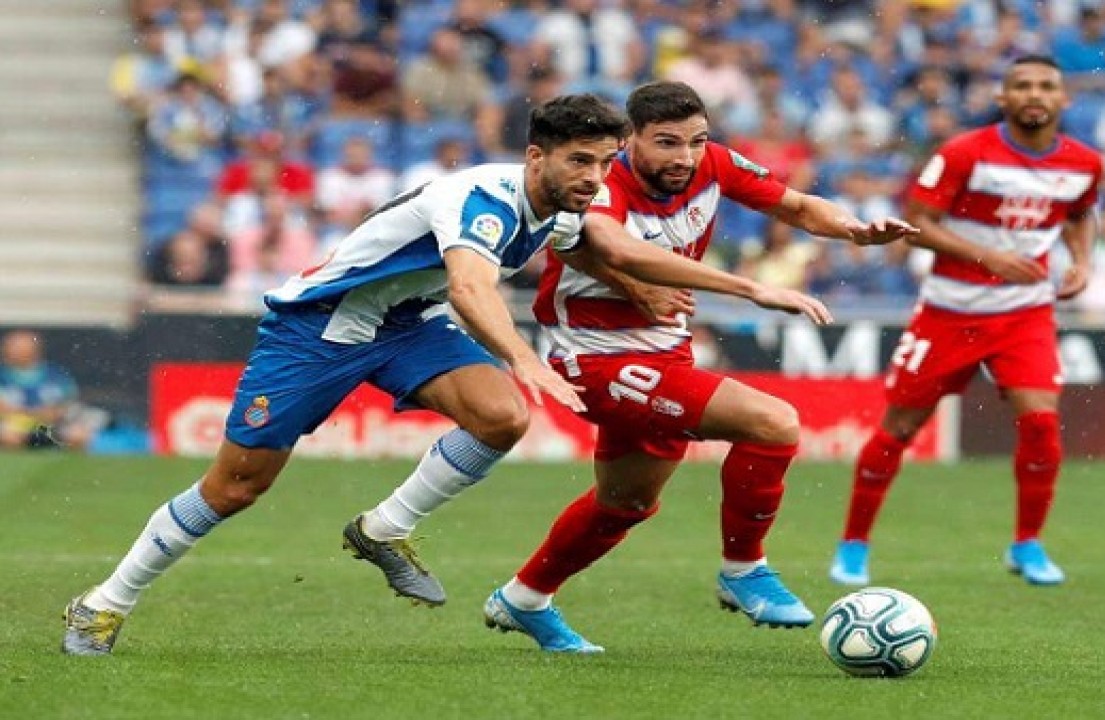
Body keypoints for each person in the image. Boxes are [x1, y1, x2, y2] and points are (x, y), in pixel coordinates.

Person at [61, 93, 830, 657]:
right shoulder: (484, 197)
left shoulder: (559, 206)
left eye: (603, 161)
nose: (596, 176)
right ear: (537, 156)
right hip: (318, 330)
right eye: (578, 161)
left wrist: (660, 287)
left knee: (501, 417)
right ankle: (102, 603)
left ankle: (382, 528)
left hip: (406, 325)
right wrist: (526, 359)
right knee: (235, 488)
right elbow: (469, 286)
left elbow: (601, 250)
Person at [483, 81, 917, 653]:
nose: (684, 158)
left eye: (696, 141)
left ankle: (524, 598)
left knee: (624, 503)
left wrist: (854, 228)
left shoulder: (711, 164)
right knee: (773, 423)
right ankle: (743, 569)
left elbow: (795, 205)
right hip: (592, 355)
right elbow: (615, 249)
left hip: (664, 349)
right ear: (629, 140)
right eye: (666, 143)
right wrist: (749, 290)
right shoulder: (601, 180)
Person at [829, 56, 1104, 588]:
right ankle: (853, 544)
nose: (1035, 94)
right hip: (948, 313)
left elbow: (1078, 213)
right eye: (1022, 85)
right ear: (1002, 98)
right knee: (900, 428)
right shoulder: (964, 152)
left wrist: (1084, 261)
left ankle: (1027, 544)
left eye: (1047, 86)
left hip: (1025, 313)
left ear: (1063, 99)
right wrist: (988, 257)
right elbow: (915, 225)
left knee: (1042, 422)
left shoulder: (1084, 163)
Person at [0, 330, 106, 451]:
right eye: (11, 346)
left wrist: (51, 414)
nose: (13, 351)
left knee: (78, 435)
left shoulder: (55, 375)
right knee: (7, 436)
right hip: (14, 424)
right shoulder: (2, 375)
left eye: (20, 347)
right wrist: (31, 414)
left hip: (52, 425)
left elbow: (68, 402)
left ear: (35, 349)